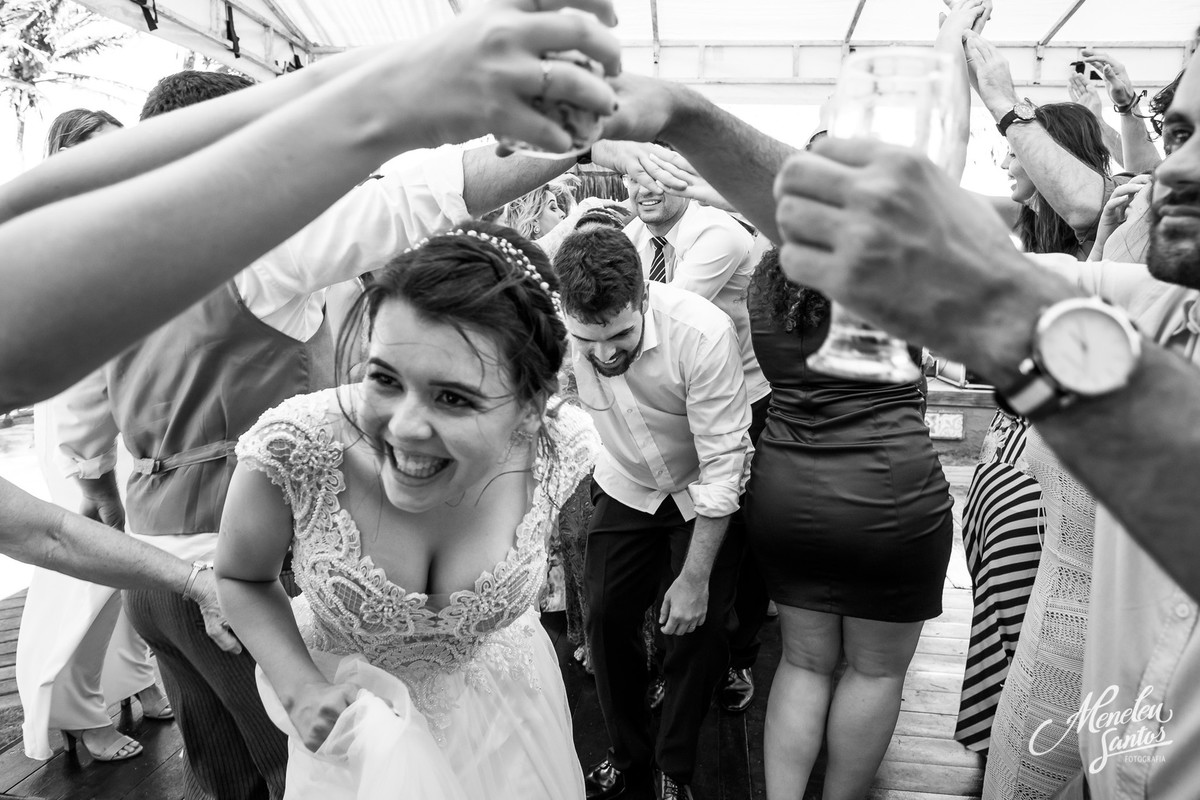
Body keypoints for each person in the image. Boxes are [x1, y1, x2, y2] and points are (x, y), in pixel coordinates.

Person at [216, 221, 599, 799]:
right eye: (384, 378)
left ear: (530, 406)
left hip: (509, 725)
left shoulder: (560, 450)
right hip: (356, 748)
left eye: (454, 397)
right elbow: (240, 576)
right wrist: (299, 689)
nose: (403, 427)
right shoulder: (296, 449)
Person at [744, 239, 952, 798]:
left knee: (803, 662)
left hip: (788, 492)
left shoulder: (765, 286)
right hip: (889, 491)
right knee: (876, 671)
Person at [554, 224, 752, 800]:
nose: (604, 354)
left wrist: (693, 580)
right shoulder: (558, 331)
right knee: (607, 619)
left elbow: (723, 468)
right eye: (587, 340)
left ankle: (675, 767)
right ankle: (627, 754)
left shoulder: (702, 333)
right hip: (626, 483)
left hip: (700, 491)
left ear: (643, 296)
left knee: (698, 630)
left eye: (619, 335)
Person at [16, 108, 173, 765]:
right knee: (88, 564)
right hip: (76, 413)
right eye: (97, 151)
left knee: (140, 554)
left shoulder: (133, 218)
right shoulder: (48, 230)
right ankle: (75, 711)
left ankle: (132, 678)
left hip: (129, 404)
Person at [623, 162, 771, 713]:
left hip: (746, 401)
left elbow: (652, 321)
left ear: (687, 178)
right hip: (674, 401)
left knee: (735, 538)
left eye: (657, 177)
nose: (644, 190)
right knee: (678, 537)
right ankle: (676, 659)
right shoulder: (637, 235)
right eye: (634, 179)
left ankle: (737, 658)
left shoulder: (719, 234)